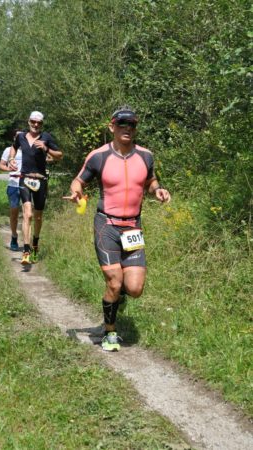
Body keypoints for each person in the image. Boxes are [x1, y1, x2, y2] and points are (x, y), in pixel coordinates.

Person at [64, 106, 171, 351]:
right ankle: (110, 332)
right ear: (112, 126)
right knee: (114, 281)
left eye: (132, 124)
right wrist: (76, 193)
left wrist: (158, 190)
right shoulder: (98, 156)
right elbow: (79, 180)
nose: (127, 128)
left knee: (134, 288)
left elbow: (150, 180)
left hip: (133, 227)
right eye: (122, 124)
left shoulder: (146, 156)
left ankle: (118, 296)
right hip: (107, 226)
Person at [8, 111, 63, 265]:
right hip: (24, 178)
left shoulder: (47, 137)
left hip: (41, 180)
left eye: (39, 123)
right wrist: (11, 159)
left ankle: (35, 243)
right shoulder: (20, 137)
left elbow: (59, 155)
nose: (36, 125)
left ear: (42, 124)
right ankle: (26, 250)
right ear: (29, 121)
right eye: (33, 121)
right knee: (28, 214)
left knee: (38, 216)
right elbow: (13, 148)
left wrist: (46, 149)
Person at [0, 132, 22, 251]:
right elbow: (0, 165)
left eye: (21, 136)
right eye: (16, 136)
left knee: (30, 214)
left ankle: (30, 243)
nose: (18, 138)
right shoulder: (8, 150)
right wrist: (9, 168)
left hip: (29, 185)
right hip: (13, 184)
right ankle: (14, 236)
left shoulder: (29, 149)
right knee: (14, 214)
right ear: (14, 138)